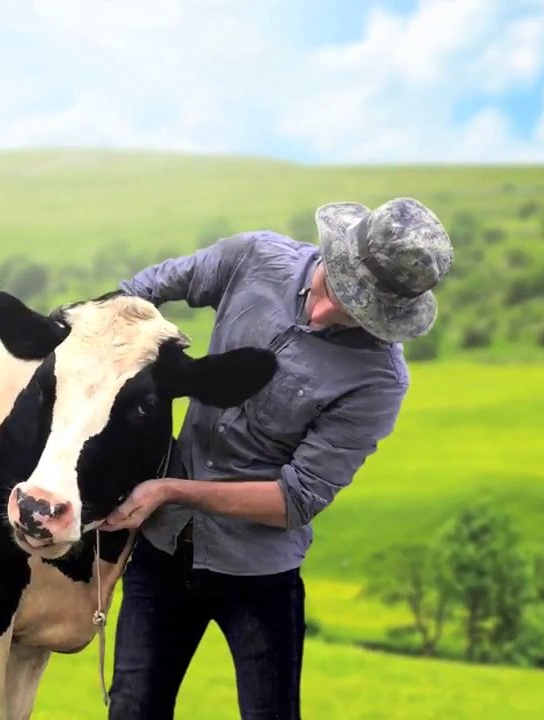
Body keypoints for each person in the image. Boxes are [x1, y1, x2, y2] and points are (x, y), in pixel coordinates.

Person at [100, 197, 454, 719]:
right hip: (163, 550)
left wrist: (170, 489)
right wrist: (99, 335)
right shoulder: (255, 257)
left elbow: (295, 499)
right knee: (132, 710)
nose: (329, 311)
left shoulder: (378, 380)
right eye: (336, 288)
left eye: (359, 311)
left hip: (257, 574)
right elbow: (148, 287)